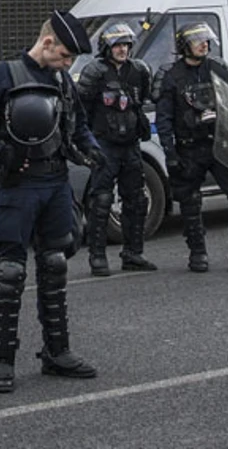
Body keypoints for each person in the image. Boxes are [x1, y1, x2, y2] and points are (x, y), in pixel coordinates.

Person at [0, 10, 103, 392]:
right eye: (65, 55)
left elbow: (79, 124)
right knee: (9, 274)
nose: (68, 64)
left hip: (55, 183)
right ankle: (1, 363)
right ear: (48, 41)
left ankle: (57, 353)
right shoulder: (3, 75)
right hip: (19, 186)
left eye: (71, 59)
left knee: (54, 264)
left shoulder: (62, 80)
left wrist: (91, 149)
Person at [154, 22, 228, 274]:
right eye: (198, 41)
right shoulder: (171, 76)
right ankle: (198, 253)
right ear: (184, 46)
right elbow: (164, 118)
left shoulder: (218, 68)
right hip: (189, 148)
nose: (205, 44)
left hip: (219, 144)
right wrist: (169, 153)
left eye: (206, 40)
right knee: (191, 201)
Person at [76, 21, 157, 276]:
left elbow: (143, 99)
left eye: (126, 45)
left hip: (131, 145)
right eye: (117, 45)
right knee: (101, 200)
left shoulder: (139, 70)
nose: (122, 49)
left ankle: (134, 253)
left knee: (137, 200)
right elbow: (81, 110)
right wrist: (88, 144)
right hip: (105, 145)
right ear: (106, 47)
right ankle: (97, 256)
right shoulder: (94, 72)